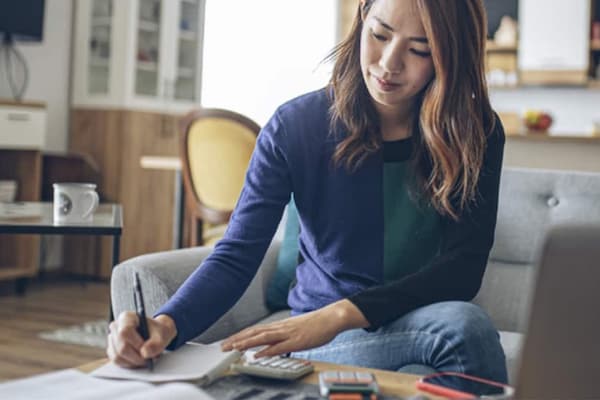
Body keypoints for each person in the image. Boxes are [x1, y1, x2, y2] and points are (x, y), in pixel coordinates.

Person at [107, 0, 508, 383]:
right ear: (363, 15)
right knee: (461, 331)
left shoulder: (475, 132)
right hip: (325, 341)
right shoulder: (295, 126)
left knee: (460, 327)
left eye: (419, 50)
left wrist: (338, 314)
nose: (389, 64)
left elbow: (463, 268)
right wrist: (165, 324)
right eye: (381, 34)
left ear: (448, 56)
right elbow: (236, 255)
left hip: (406, 321)